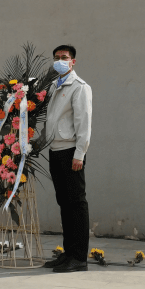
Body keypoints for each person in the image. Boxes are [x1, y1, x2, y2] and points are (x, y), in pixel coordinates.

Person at [43, 43, 92, 273]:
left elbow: (84, 123)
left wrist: (80, 153)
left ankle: (79, 257)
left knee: (77, 204)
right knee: (64, 204)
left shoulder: (79, 87)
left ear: (73, 61)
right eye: (56, 57)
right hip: (55, 150)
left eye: (64, 57)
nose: (60, 60)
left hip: (71, 151)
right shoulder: (53, 86)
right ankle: (68, 252)